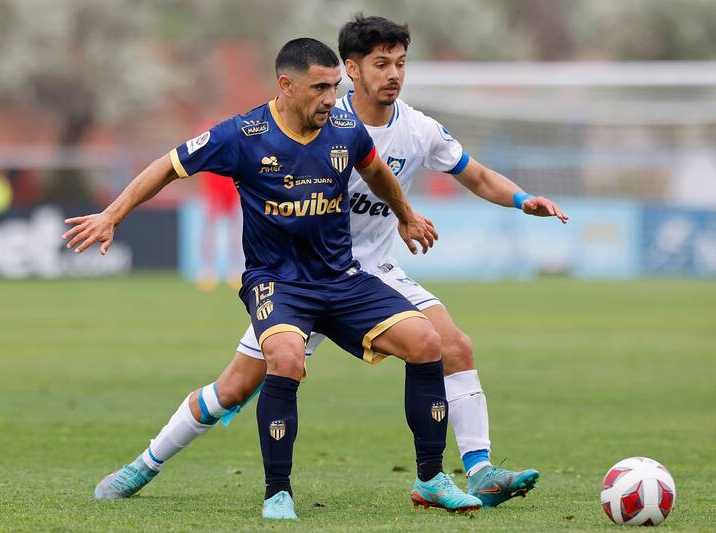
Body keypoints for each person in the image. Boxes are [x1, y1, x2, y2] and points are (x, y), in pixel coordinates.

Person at [93, 15, 570, 512]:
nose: (393, 74)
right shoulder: (312, 115)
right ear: (352, 70)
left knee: (448, 343)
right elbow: (181, 163)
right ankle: (145, 464)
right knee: (234, 388)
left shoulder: (414, 129)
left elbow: (470, 175)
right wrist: (114, 214)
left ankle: (478, 471)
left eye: (400, 64)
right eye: (381, 64)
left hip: (363, 274)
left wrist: (516, 200)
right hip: (291, 280)